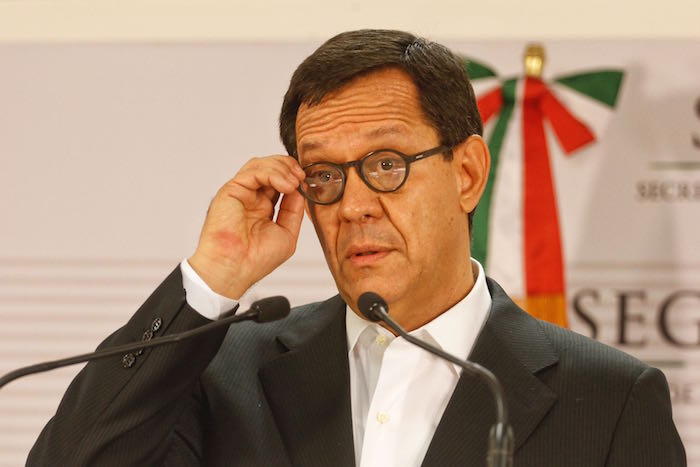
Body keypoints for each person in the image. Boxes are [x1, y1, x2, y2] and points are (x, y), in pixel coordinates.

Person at [28, 29, 685, 467]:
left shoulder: (609, 400)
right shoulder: (226, 371)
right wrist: (212, 276)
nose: (352, 205)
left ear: (466, 173)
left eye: (387, 164)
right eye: (324, 176)